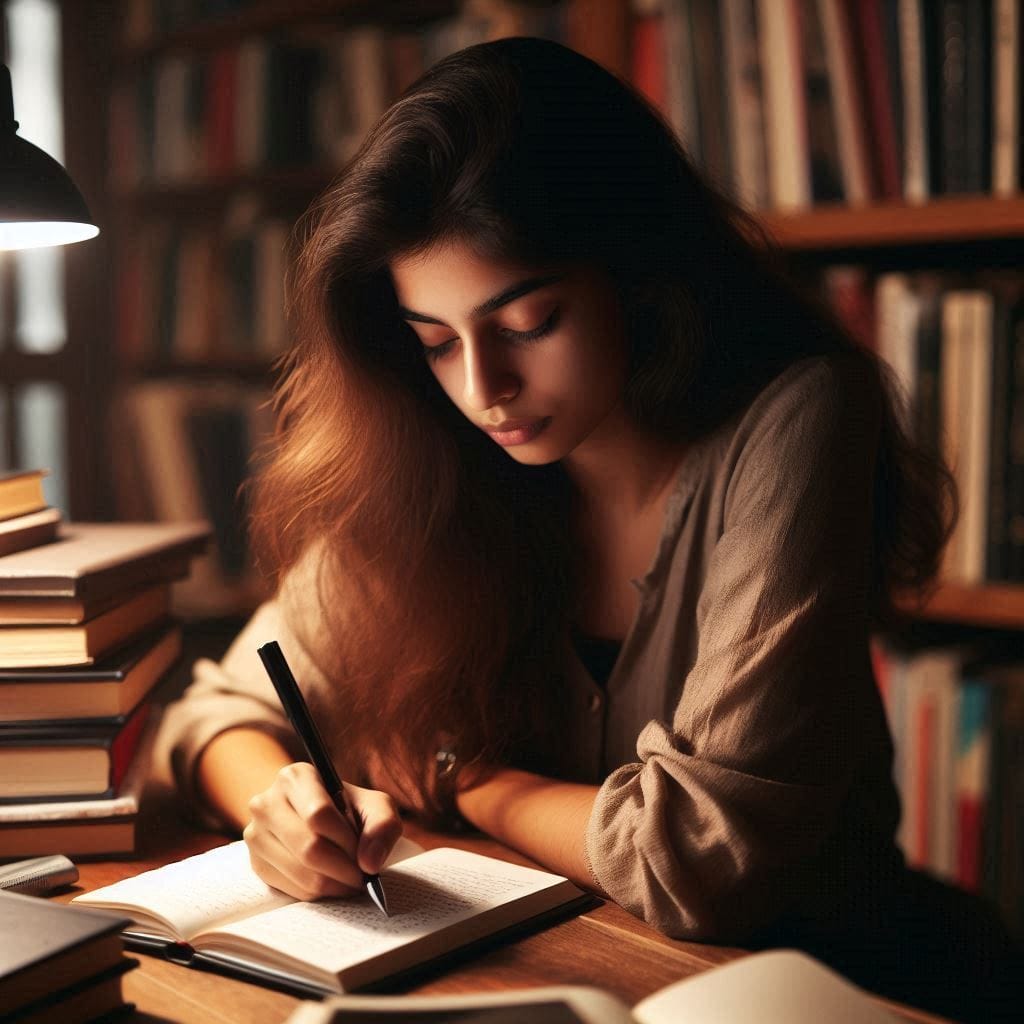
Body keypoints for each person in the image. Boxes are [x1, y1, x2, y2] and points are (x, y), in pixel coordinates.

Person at [160, 37, 1019, 1021]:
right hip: (555, 973)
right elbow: (217, 710)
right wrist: (281, 806)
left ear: (639, 273)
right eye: (435, 342)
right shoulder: (436, 466)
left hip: (816, 982)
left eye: (528, 321)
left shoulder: (794, 417)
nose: (484, 390)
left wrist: (464, 776)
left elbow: (701, 860)